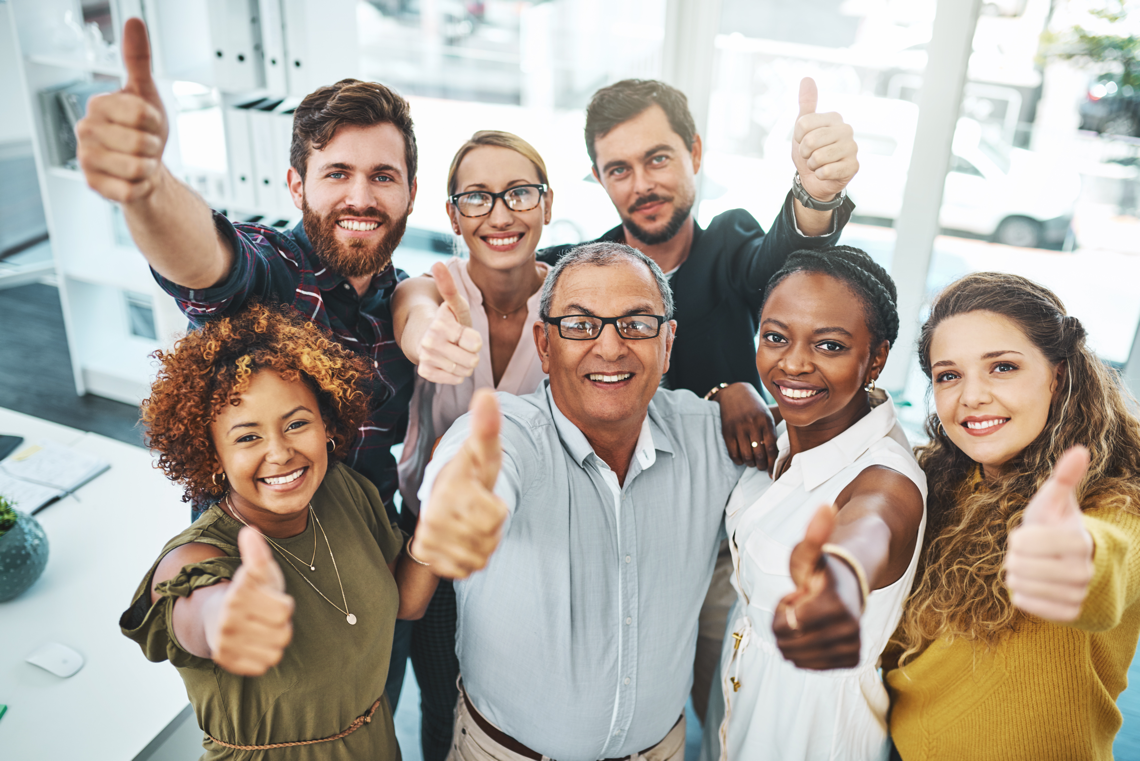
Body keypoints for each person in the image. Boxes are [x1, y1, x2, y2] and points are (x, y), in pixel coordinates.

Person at [77, 17, 419, 702]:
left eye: (384, 175)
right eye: (338, 174)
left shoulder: (402, 297)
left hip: (372, 559)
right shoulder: (274, 270)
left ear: (410, 189)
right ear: (296, 185)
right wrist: (147, 189)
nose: (361, 196)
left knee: (373, 721)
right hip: (257, 563)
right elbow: (206, 259)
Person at [536, 77, 860, 719]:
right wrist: (720, 391)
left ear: (695, 153)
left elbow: (781, 256)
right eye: (618, 169)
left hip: (720, 539)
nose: (641, 184)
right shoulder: (581, 268)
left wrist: (815, 195)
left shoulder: (727, 248)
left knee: (724, 701)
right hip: (611, 536)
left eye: (658, 159)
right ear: (600, 180)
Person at [410, 241, 751, 761]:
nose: (610, 348)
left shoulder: (712, 436)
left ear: (668, 342)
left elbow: (822, 437)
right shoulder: (510, 429)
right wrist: (462, 499)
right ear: (543, 345)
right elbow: (480, 460)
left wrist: (740, 389)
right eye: (580, 325)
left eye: (636, 324)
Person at [120, 302, 440, 760]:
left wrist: (435, 518)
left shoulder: (345, 491)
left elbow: (405, 602)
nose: (280, 453)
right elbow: (201, 611)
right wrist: (226, 617)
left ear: (326, 423)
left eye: (296, 424)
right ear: (212, 456)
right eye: (248, 437)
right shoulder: (195, 559)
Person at [883, 273, 1140, 761]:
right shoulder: (934, 479)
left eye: (1002, 367)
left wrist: (1076, 558)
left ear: (1057, 374)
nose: (972, 396)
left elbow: (1111, 563)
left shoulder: (1118, 497)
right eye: (949, 375)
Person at [707, 247, 926, 761]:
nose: (794, 363)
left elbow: (870, 528)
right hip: (743, 701)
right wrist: (727, 390)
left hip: (812, 735)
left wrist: (839, 579)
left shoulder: (886, 479)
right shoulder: (786, 429)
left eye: (829, 345)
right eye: (776, 337)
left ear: (875, 358)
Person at [390, 130, 553, 761]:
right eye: (477, 198)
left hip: (533, 544)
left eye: (519, 192)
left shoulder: (574, 303)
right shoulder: (430, 288)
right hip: (431, 539)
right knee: (441, 698)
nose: (501, 214)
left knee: (519, 706)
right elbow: (414, 313)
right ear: (453, 214)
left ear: (545, 203)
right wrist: (430, 336)